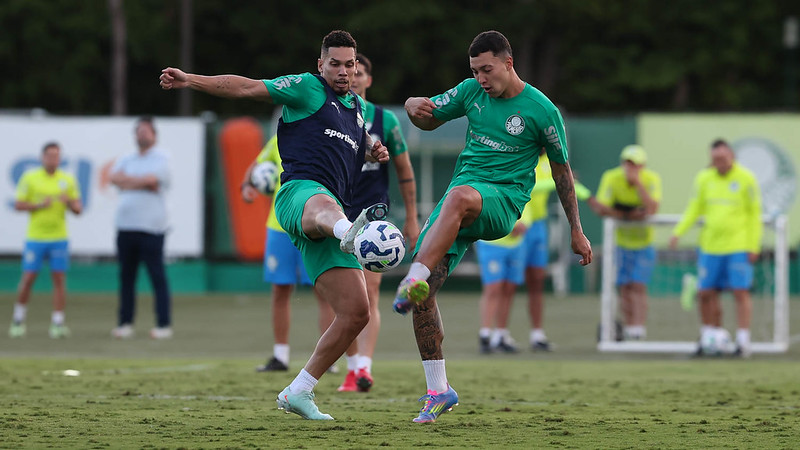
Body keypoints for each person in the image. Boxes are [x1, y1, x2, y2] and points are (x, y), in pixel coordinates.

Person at [160, 30, 390, 420]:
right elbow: (246, 88)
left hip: (332, 214)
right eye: (334, 63)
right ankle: (347, 232)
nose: (343, 71)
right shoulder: (305, 87)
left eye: (349, 64)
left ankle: (299, 391)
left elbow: (354, 134)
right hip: (300, 195)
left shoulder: (355, 108)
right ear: (321, 64)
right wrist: (190, 79)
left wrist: (370, 146)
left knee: (356, 312)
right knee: (324, 204)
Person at [394, 30, 592, 423]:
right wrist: (412, 104)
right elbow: (430, 118)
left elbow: (562, 171)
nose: (481, 78)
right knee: (424, 295)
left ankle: (410, 277)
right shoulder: (471, 92)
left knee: (458, 198)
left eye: (487, 70)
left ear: (508, 63)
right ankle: (438, 390)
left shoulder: (542, 110)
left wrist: (576, 229)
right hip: (460, 204)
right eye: (475, 71)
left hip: (501, 202)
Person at [336, 53, 420, 393]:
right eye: (349, 70)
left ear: (368, 79)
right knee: (341, 296)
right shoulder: (332, 114)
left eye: (360, 71)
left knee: (369, 291)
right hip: (337, 213)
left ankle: (363, 369)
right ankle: (351, 366)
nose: (353, 77)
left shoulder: (386, 121)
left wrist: (412, 217)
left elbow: (405, 172)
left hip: (372, 216)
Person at [240, 135, 336, 373]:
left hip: (310, 225)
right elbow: (257, 164)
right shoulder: (279, 138)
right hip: (278, 226)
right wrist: (246, 185)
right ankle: (280, 356)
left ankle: (329, 358)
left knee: (323, 291)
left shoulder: (321, 134)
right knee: (280, 290)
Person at [669, 139, 761, 357]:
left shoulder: (746, 178)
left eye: (723, 158)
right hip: (710, 247)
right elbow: (694, 208)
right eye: (715, 159)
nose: (719, 163)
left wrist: (753, 245)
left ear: (732, 157)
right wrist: (678, 232)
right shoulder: (704, 178)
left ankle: (743, 341)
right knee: (705, 293)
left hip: (738, 246)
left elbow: (754, 214)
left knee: (740, 292)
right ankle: (710, 337)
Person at [8, 142, 82, 339]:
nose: (53, 159)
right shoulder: (31, 178)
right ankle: (18, 319)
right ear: (42, 157)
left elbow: (78, 209)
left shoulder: (67, 179)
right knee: (29, 279)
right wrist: (39, 205)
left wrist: (69, 203)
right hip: (36, 237)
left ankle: (57, 323)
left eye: (56, 156)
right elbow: (18, 204)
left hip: (59, 237)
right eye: (49, 155)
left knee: (59, 280)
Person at [588, 145, 661, 341]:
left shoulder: (651, 179)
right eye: (628, 164)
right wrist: (629, 215)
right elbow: (602, 208)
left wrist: (638, 184)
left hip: (644, 243)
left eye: (635, 165)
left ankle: (639, 327)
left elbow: (652, 208)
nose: (631, 169)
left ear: (642, 166)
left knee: (638, 286)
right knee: (625, 287)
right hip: (620, 243)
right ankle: (630, 327)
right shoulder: (611, 177)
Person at [109, 117, 173, 340]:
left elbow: (153, 180)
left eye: (146, 131)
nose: (142, 135)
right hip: (126, 226)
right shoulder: (127, 158)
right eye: (139, 131)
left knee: (157, 275)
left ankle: (163, 324)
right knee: (126, 277)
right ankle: (125, 322)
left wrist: (130, 181)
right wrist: (140, 182)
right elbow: (114, 178)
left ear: (154, 134)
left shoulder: (162, 158)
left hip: (152, 227)